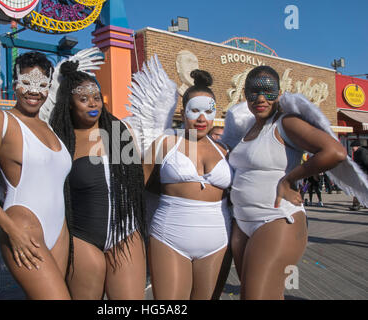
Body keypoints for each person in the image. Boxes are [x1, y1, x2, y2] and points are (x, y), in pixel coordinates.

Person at [228, 66, 347, 299]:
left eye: (268, 92)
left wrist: (289, 179)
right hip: (242, 223)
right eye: (254, 92)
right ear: (245, 95)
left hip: (277, 219)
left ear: (279, 94)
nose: (261, 98)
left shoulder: (285, 123)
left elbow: (335, 152)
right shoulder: (250, 128)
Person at [0, 52, 72, 300]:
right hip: (23, 225)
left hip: (59, 230)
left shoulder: (49, 127)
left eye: (42, 85)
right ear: (15, 84)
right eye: (27, 83)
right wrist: (10, 228)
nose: (34, 91)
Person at [49, 60, 147, 300]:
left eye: (96, 97)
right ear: (69, 104)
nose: (92, 103)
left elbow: (139, 181)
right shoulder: (61, 141)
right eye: (83, 99)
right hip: (82, 238)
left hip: (125, 233)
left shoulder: (118, 132)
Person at [144, 70, 233, 300]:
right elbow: (136, 188)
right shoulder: (165, 143)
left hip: (218, 241)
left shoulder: (225, 151)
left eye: (208, 111)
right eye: (195, 110)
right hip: (169, 237)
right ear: (183, 112)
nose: (202, 118)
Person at [348, 140, 368, 211]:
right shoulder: (357, 152)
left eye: (353, 147)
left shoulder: (362, 152)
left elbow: (366, 163)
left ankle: (356, 205)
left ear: (357, 146)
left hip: (363, 174)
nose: (352, 149)